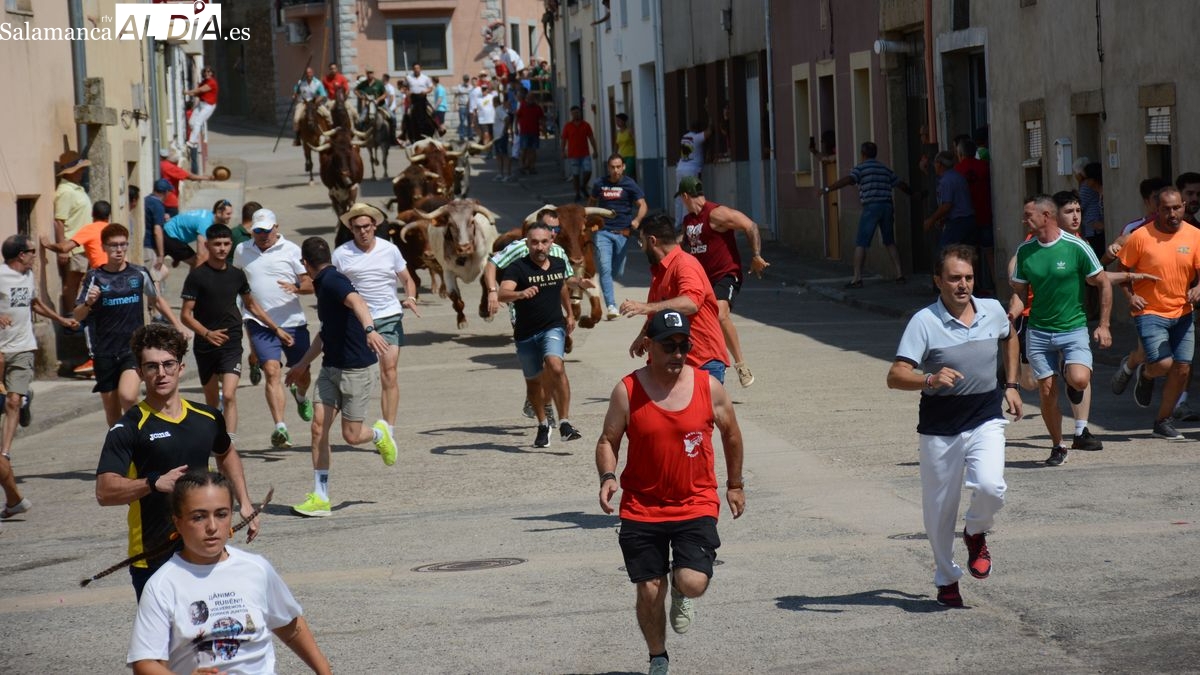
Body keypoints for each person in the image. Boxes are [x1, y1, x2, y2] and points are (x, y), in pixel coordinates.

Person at [596, 308, 745, 675]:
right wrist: (608, 475)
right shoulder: (627, 390)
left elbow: (732, 434)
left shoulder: (708, 387)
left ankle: (681, 589)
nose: (678, 353)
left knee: (692, 582)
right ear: (649, 346)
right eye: (669, 345)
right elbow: (608, 439)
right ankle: (658, 657)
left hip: (695, 502)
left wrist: (735, 485)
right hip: (642, 506)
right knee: (648, 589)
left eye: (684, 345)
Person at [887, 244, 1022, 608]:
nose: (963, 285)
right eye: (954, 278)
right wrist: (928, 380)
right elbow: (895, 375)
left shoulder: (992, 310)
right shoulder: (924, 322)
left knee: (992, 487)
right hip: (939, 427)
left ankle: (976, 530)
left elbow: (1010, 338)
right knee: (939, 510)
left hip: (985, 416)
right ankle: (947, 578)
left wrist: (1011, 385)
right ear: (938, 281)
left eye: (968, 277)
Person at [96, 323, 258, 599]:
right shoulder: (129, 427)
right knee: (166, 641)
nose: (161, 373)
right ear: (139, 372)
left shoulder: (207, 417)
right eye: (151, 366)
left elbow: (226, 452)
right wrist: (153, 483)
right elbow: (105, 491)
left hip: (204, 548)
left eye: (168, 364)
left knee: (212, 633)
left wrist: (244, 502)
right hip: (154, 555)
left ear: (181, 367)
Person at [128, 471, 331, 674]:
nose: (212, 527)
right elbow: (144, 663)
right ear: (178, 522)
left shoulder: (256, 569)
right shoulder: (162, 585)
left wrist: (324, 670)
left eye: (221, 514)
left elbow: (290, 625)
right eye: (198, 517)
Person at [285, 237, 398, 518]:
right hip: (330, 368)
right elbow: (324, 334)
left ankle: (378, 433)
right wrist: (301, 364)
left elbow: (358, 301)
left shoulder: (333, 281)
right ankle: (321, 497)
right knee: (318, 429)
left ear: (305, 264)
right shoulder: (324, 285)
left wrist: (370, 330)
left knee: (351, 435)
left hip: (356, 370)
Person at [1010, 194, 1111, 466]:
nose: (1024, 219)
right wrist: (1010, 313)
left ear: (1046, 216)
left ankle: (1071, 375)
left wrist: (1103, 325)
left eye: (1028, 214)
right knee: (1045, 391)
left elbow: (1103, 282)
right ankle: (1058, 445)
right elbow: (1020, 292)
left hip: (1072, 328)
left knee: (1079, 380)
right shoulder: (1025, 251)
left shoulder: (1076, 246)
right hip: (1039, 332)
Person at [181, 224, 294, 443]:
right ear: (207, 245)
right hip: (206, 345)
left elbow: (252, 305)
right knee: (212, 400)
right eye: (217, 244)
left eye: (225, 244)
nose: (222, 248)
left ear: (231, 245)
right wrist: (207, 333)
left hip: (232, 342)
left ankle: (228, 444)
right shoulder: (197, 277)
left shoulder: (236, 275)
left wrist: (275, 328)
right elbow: (186, 315)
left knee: (230, 394)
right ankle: (211, 438)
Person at [75, 224, 189, 427]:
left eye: (122, 245)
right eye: (113, 246)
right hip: (104, 351)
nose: (118, 250)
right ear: (104, 247)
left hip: (132, 349)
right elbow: (78, 314)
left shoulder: (138, 273)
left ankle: (145, 438)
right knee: (112, 415)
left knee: (128, 397)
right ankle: (126, 454)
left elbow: (157, 300)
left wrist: (177, 324)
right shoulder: (94, 277)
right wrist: (89, 303)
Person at [0, 235, 79, 520]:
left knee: (11, 400)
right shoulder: (1, 275)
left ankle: (5, 452)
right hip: (0, 349)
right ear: (20, 254)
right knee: (9, 400)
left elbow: (34, 304)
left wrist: (60, 319)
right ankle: (24, 401)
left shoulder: (28, 275)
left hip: (23, 347)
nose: (36, 255)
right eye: (32, 251)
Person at [1115, 187, 1200, 440]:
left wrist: (1198, 288)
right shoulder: (1140, 236)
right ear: (1157, 210)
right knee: (1163, 364)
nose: (1172, 214)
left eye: (1176, 208)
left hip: (1183, 311)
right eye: (1166, 209)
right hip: (1149, 310)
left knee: (1183, 370)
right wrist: (1132, 296)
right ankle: (1147, 371)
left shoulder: (1195, 235)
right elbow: (1122, 271)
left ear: (1183, 206)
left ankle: (1162, 421)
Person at [332, 203, 419, 444]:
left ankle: (388, 431)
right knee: (354, 376)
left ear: (375, 226)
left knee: (388, 372)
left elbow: (407, 278)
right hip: (356, 321)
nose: (363, 232)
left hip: (388, 317)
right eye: (357, 227)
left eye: (367, 227)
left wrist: (410, 297)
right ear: (351, 228)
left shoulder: (389, 250)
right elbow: (332, 286)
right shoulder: (341, 254)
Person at [677, 176, 770, 388]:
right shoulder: (688, 220)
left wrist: (756, 255)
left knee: (720, 313)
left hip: (725, 275)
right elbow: (681, 244)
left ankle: (741, 365)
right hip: (702, 280)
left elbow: (750, 225)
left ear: (684, 196)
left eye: (681, 199)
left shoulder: (716, 213)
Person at [233, 209, 315, 449]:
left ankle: (300, 396)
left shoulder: (291, 250)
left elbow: (310, 282)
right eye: (258, 231)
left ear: (276, 227)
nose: (263, 235)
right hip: (259, 322)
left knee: (302, 373)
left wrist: (297, 288)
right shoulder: (242, 250)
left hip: (293, 322)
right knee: (272, 371)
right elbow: (235, 280)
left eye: (267, 230)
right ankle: (281, 427)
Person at [497, 217, 580, 447]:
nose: (540, 247)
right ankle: (543, 425)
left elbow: (562, 286)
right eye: (535, 242)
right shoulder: (517, 268)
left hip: (552, 326)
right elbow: (502, 294)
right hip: (525, 333)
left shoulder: (558, 264)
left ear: (551, 241)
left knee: (555, 365)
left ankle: (564, 422)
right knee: (533, 383)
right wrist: (520, 294)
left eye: (544, 242)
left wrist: (570, 313)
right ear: (527, 244)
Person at [620, 213, 729, 384]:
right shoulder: (660, 270)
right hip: (676, 361)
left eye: (642, 242)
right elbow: (659, 311)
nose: (642, 248)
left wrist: (645, 307)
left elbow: (691, 303)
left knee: (702, 411)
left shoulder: (685, 264)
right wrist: (643, 335)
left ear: (652, 241)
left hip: (702, 361)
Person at [822, 141, 912, 287]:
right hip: (887, 206)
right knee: (889, 241)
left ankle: (857, 278)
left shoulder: (861, 168)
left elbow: (848, 180)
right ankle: (899, 274)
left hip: (871, 206)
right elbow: (900, 184)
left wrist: (828, 189)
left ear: (862, 154)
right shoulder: (884, 168)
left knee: (861, 242)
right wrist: (913, 193)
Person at [589, 155, 648, 320]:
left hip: (623, 233)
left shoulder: (629, 184)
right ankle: (611, 306)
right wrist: (589, 221)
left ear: (623, 167)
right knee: (605, 269)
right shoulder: (600, 184)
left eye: (618, 167)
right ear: (608, 168)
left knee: (617, 272)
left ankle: (607, 288)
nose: (615, 170)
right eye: (612, 167)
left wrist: (637, 220)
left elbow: (643, 205)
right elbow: (592, 202)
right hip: (603, 232)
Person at [53, 150, 92, 314]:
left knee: (80, 280)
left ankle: (76, 312)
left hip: (82, 244)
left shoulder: (76, 189)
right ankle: (70, 315)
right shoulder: (65, 192)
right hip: (73, 245)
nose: (82, 172)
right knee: (72, 281)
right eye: (80, 169)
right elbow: (59, 221)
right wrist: (63, 248)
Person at [955, 137, 995, 292]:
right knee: (989, 252)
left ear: (960, 153)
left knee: (971, 254)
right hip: (985, 214)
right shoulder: (985, 166)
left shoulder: (957, 171)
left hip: (968, 218)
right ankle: (995, 284)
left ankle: (975, 286)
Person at [924, 151, 975, 250]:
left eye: (935, 163)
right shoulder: (958, 176)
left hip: (958, 222)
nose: (934, 166)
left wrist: (931, 220)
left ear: (939, 164)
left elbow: (947, 205)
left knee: (944, 254)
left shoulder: (946, 181)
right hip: (968, 220)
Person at [41, 199, 111, 270]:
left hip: (102, 273)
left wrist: (48, 245)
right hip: (117, 271)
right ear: (108, 216)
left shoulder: (90, 229)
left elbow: (64, 248)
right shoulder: (113, 230)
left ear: (92, 214)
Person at [163, 199, 234, 269]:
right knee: (197, 261)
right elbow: (201, 256)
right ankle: (193, 280)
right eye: (228, 214)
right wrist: (198, 277)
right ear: (218, 213)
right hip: (170, 235)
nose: (230, 216)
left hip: (170, 231)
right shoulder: (206, 224)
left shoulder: (208, 215)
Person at [674, 118, 713, 226]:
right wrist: (710, 123)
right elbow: (708, 133)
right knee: (689, 196)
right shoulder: (697, 138)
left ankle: (678, 222)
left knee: (679, 196)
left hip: (680, 168)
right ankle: (687, 222)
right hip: (691, 169)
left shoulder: (684, 137)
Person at [159, 148, 212, 216]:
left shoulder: (161, 164)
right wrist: (207, 178)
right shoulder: (170, 167)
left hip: (162, 199)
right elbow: (190, 176)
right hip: (169, 201)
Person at [562, 106, 599, 202]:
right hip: (573, 154)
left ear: (580, 113)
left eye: (577, 113)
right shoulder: (568, 126)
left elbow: (591, 138)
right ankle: (577, 193)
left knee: (588, 171)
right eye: (574, 113)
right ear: (571, 114)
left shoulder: (586, 125)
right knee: (575, 175)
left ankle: (583, 186)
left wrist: (595, 150)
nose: (576, 115)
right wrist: (562, 151)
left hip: (585, 153)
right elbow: (564, 140)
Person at [291, 66, 328, 145]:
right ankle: (297, 137)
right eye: (307, 73)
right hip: (303, 103)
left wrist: (315, 102)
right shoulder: (300, 83)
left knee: (327, 114)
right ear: (305, 74)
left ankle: (329, 134)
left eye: (310, 73)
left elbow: (323, 95)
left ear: (313, 73)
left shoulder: (317, 83)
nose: (309, 75)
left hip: (314, 103)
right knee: (296, 118)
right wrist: (294, 96)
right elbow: (295, 92)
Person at [183, 66, 218, 148]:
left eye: (209, 71)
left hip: (208, 105)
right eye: (205, 71)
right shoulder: (204, 82)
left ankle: (191, 142)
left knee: (197, 122)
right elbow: (197, 92)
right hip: (201, 104)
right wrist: (190, 93)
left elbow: (201, 90)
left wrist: (187, 92)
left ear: (212, 73)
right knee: (191, 122)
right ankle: (195, 141)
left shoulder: (212, 82)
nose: (207, 73)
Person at [1076, 159, 1105, 258]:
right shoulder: (1098, 192)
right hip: (1094, 230)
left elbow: (1079, 205)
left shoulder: (1101, 193)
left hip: (1095, 233)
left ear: (1093, 179)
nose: (1085, 181)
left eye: (1086, 178)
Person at [516, 89, 545, 174]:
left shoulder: (537, 108)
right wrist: (515, 128)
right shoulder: (522, 106)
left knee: (533, 150)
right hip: (524, 132)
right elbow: (517, 117)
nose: (529, 100)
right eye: (528, 98)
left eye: (531, 98)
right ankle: (522, 166)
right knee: (524, 150)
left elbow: (542, 119)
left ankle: (531, 167)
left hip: (534, 132)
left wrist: (544, 129)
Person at [321, 62, 357, 126]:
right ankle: (330, 126)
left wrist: (344, 97)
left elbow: (347, 90)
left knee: (354, 112)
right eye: (331, 69)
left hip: (342, 100)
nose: (333, 70)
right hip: (332, 100)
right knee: (327, 114)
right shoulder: (325, 79)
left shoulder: (342, 78)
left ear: (337, 69)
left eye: (334, 68)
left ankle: (354, 127)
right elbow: (322, 91)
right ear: (329, 70)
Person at [491, 88, 514, 182]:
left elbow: (507, 118)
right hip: (497, 136)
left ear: (494, 102)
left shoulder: (498, 110)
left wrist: (504, 130)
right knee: (499, 155)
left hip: (501, 136)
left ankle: (507, 174)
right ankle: (500, 174)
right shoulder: (499, 109)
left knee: (504, 155)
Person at [614, 112, 636, 180]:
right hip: (622, 156)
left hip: (630, 156)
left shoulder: (629, 131)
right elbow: (617, 144)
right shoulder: (618, 132)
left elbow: (635, 140)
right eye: (616, 121)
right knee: (621, 175)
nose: (617, 122)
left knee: (628, 175)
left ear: (623, 121)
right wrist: (615, 155)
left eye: (618, 120)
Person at [453, 74, 474, 140]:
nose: (466, 81)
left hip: (469, 106)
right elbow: (456, 96)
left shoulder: (471, 87)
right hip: (462, 106)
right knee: (462, 122)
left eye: (467, 80)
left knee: (470, 122)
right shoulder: (459, 87)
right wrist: (455, 105)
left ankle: (470, 136)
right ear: (463, 80)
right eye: (465, 80)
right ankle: (461, 136)